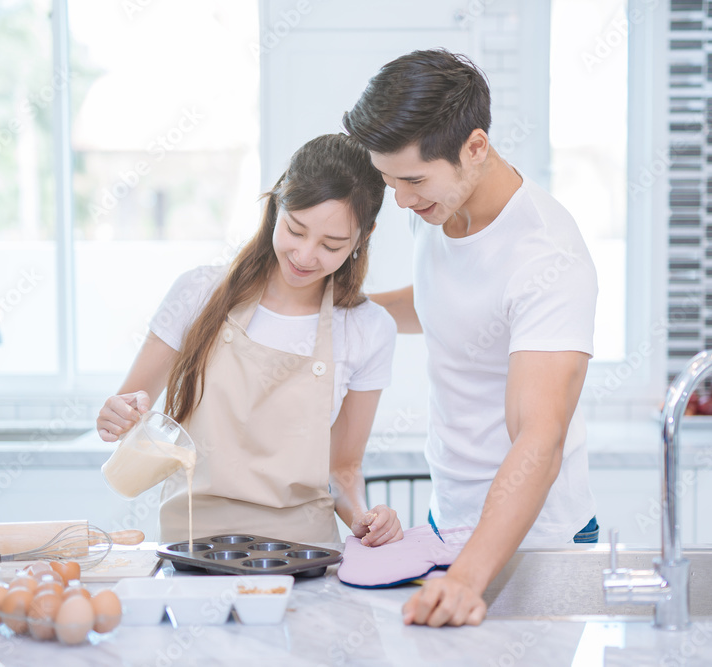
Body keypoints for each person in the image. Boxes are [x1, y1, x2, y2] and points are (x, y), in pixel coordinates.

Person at [343, 49, 598, 626]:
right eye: (389, 181)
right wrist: (343, 311)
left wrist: (466, 578)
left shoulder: (545, 257)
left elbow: (540, 438)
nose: (402, 201)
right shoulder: (437, 207)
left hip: (534, 542)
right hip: (447, 522)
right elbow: (447, 306)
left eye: (411, 181)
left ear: (475, 148)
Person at [96, 133, 403, 548]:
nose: (306, 256)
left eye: (331, 245)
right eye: (296, 230)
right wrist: (117, 416)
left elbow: (344, 468)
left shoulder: (368, 329)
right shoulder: (198, 292)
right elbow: (127, 407)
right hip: (194, 549)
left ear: (363, 238)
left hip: (304, 555)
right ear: (277, 203)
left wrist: (364, 518)